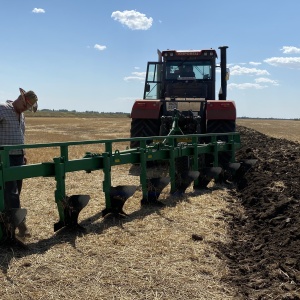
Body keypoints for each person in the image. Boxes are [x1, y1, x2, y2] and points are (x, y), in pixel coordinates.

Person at [0, 88, 38, 237]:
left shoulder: (21, 116)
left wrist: (24, 154)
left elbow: (21, 135)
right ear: (20, 99)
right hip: (4, 157)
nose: (25, 110)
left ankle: (9, 219)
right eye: (25, 106)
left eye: (28, 108)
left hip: (18, 157)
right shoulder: (2, 109)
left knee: (16, 190)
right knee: (11, 192)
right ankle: (20, 224)